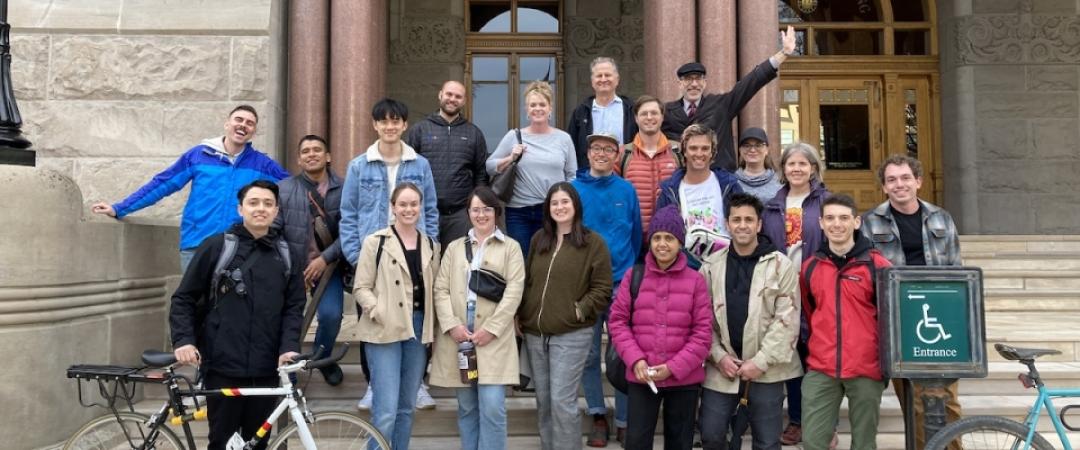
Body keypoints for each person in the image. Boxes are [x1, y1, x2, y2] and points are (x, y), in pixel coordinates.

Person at [169, 180, 305, 450]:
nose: (260, 209)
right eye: (253, 203)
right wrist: (184, 340)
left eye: (268, 204)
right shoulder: (216, 247)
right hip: (222, 364)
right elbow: (183, 297)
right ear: (240, 208)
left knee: (257, 442)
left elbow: (294, 307)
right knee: (221, 440)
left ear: (276, 211)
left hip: (266, 366)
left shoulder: (287, 254)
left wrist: (289, 347)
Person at [91, 105, 289, 271]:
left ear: (253, 131)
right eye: (239, 119)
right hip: (197, 243)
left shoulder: (261, 164)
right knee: (193, 306)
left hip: (240, 245)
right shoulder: (198, 155)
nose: (243, 125)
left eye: (250, 123)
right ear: (227, 124)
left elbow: (293, 190)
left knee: (231, 309)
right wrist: (119, 208)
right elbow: (162, 184)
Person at [340, 98, 440, 410]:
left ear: (404, 125)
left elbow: (432, 210)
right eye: (383, 121)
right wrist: (357, 258)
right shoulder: (359, 165)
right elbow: (349, 214)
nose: (390, 126)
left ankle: (417, 383)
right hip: (374, 258)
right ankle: (374, 385)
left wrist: (429, 252)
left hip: (412, 256)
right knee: (372, 322)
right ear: (375, 125)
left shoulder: (419, 164)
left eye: (395, 121)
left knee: (416, 321)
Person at [861, 154, 963, 450]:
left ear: (918, 181)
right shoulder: (870, 222)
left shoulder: (942, 218)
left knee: (947, 400)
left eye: (905, 178)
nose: (899, 184)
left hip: (940, 320)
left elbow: (957, 270)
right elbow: (870, 275)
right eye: (891, 179)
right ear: (883, 186)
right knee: (914, 403)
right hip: (898, 320)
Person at [698, 193, 802, 450]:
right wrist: (718, 355)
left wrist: (761, 361)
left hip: (767, 369)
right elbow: (702, 320)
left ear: (759, 224)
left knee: (766, 441)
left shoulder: (781, 265)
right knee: (711, 434)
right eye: (736, 220)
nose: (742, 225)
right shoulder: (710, 266)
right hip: (722, 368)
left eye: (749, 220)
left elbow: (787, 319)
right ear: (727, 224)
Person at [608, 205, 713, 450]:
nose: (662, 244)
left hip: (683, 378)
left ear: (680, 242)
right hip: (642, 376)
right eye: (656, 238)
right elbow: (618, 322)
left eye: (669, 238)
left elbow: (703, 333)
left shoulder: (696, 280)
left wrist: (674, 367)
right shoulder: (633, 276)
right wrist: (636, 360)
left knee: (680, 442)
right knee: (636, 441)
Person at [518, 182, 613, 450]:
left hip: (572, 334)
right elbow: (529, 281)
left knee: (562, 400)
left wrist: (578, 310)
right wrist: (522, 313)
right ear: (548, 209)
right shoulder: (539, 240)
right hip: (536, 335)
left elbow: (603, 288)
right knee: (545, 400)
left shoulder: (593, 243)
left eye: (564, 202)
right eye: (554, 203)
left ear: (575, 206)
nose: (559, 207)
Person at [430, 186, 526, 450]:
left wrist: (492, 329)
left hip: (493, 337)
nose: (481, 214)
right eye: (476, 209)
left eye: (487, 209)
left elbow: (514, 291)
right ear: (468, 213)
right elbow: (440, 289)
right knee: (467, 407)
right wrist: (451, 325)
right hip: (461, 338)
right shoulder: (454, 248)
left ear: (496, 212)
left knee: (493, 407)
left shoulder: (511, 248)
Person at [800, 194, 892, 450]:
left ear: (857, 222)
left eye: (843, 218)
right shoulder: (810, 267)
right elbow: (810, 311)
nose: (836, 224)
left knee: (864, 444)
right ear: (820, 223)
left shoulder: (877, 265)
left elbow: (889, 317)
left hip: (865, 367)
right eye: (830, 218)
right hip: (822, 366)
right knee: (812, 441)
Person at [353, 182, 440, 450]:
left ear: (420, 207)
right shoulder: (375, 242)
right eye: (402, 204)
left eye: (414, 204)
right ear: (393, 207)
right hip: (384, 330)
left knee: (406, 408)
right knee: (386, 410)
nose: (408, 209)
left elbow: (435, 289)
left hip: (417, 328)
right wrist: (378, 310)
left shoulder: (431, 246)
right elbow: (360, 288)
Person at [571, 132, 642, 446]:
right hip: (585, 285)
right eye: (596, 147)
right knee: (587, 356)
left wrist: (627, 273)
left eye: (608, 149)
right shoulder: (573, 189)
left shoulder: (626, 190)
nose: (601, 153)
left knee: (623, 354)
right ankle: (598, 414)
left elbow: (636, 236)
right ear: (587, 153)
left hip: (620, 283)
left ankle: (625, 419)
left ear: (617, 155)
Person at [759, 141, 830, 446]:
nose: (797, 169)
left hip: (817, 289)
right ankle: (797, 420)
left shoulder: (826, 202)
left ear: (813, 168)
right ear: (783, 169)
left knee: (817, 357)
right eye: (791, 164)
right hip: (783, 291)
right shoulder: (773, 205)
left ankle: (823, 422)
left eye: (804, 164)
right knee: (790, 357)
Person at [660, 26, 797, 171]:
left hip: (720, 179)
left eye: (698, 79)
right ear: (680, 83)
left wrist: (783, 54)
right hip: (682, 179)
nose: (694, 84)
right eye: (688, 79)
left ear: (705, 82)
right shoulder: (666, 111)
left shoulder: (721, 105)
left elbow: (751, 83)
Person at [273, 134, 346, 386]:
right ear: (299, 159)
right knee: (289, 320)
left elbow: (351, 231)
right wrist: (291, 264)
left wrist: (324, 259)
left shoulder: (345, 188)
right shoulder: (283, 189)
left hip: (329, 267)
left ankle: (322, 357)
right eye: (305, 151)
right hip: (292, 270)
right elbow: (274, 231)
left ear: (328, 156)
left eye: (317, 150)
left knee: (331, 315)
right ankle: (289, 368)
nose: (311, 154)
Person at [487, 81, 576, 256]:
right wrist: (510, 158)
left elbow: (572, 175)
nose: (538, 109)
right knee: (523, 263)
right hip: (519, 213)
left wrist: (565, 202)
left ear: (550, 108)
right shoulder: (514, 136)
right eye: (532, 105)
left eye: (542, 104)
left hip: (552, 211)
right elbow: (489, 166)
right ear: (526, 110)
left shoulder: (563, 139)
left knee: (551, 260)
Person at [405, 80, 490, 245]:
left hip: (460, 215)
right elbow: (408, 170)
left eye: (458, 96)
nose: (452, 99)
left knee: (457, 265)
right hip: (424, 213)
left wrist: (476, 206)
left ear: (464, 101)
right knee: (425, 264)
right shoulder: (420, 130)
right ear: (440, 95)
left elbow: (481, 174)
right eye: (449, 94)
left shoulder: (474, 133)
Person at [655, 124, 743, 265]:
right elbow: (661, 233)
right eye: (693, 148)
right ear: (684, 151)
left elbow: (743, 225)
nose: (699, 153)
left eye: (705, 148)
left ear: (712, 152)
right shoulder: (669, 191)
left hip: (725, 265)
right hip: (685, 268)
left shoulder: (729, 185)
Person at [616, 94, 683, 243]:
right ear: (636, 118)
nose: (649, 117)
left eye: (654, 113)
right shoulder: (623, 154)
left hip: (671, 237)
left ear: (662, 117)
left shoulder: (678, 151)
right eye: (644, 113)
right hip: (635, 238)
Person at [566, 57, 638, 170]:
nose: (603, 79)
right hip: (590, 177)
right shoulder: (580, 112)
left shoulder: (631, 110)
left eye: (608, 75)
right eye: (599, 76)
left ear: (617, 79)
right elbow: (571, 147)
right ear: (592, 81)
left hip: (624, 175)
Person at [734, 127, 782, 202]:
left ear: (767, 150)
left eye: (758, 145)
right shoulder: (731, 182)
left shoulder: (780, 181)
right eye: (747, 145)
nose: (752, 150)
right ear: (740, 150)